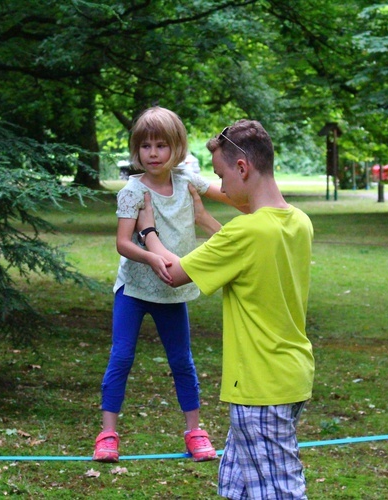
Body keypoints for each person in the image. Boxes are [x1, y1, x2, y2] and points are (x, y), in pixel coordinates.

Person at [136, 119, 314, 499]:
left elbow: (173, 272)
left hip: (261, 386)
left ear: (242, 168)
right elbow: (248, 250)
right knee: (237, 486)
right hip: (290, 375)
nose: (222, 187)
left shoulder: (245, 231)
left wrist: (148, 231)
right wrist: (204, 219)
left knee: (282, 492)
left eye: (221, 176)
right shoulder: (298, 222)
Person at [93, 106, 241, 464]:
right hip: (134, 290)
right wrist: (151, 257)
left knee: (182, 361)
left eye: (161, 145)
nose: (153, 153)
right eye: (146, 146)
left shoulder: (187, 181)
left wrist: (261, 198)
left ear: (177, 148)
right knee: (122, 357)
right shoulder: (132, 190)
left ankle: (194, 431)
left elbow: (234, 196)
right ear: (136, 150)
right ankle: (107, 434)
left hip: (171, 292)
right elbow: (124, 243)